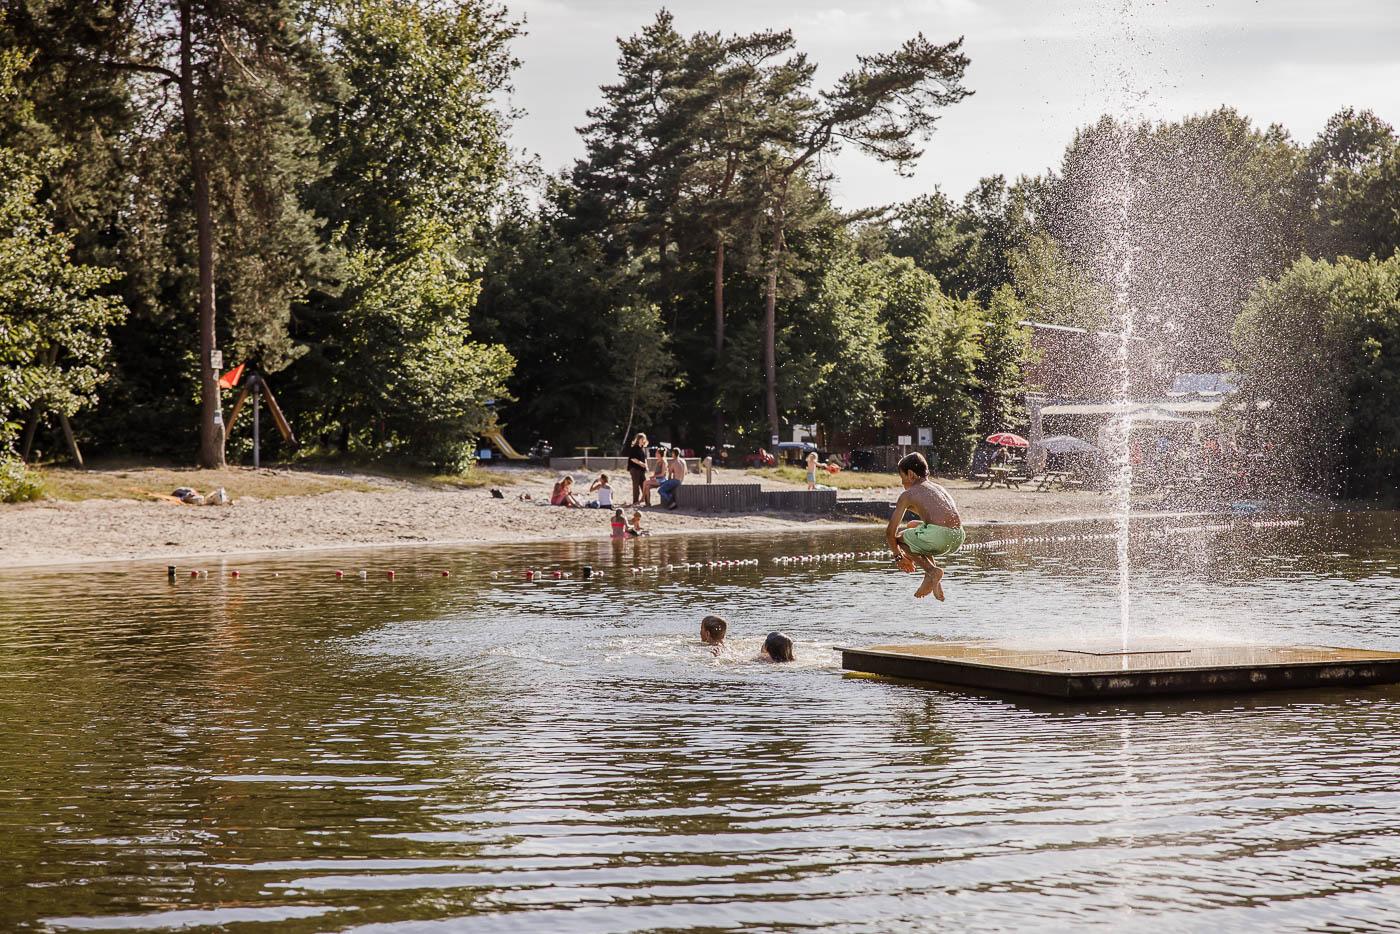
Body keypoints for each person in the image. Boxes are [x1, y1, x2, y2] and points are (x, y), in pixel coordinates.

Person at [887, 451, 964, 601]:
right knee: (912, 525)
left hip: (940, 537)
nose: (902, 484)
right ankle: (931, 577)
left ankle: (931, 571)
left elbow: (890, 533)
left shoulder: (908, 495)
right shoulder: (939, 488)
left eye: (902, 478)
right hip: (958, 536)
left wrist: (898, 557)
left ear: (910, 474)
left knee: (900, 538)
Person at [625, 432, 649, 506]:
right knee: (636, 486)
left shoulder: (642, 448)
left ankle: (647, 502)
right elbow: (632, 459)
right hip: (634, 469)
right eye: (642, 439)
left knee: (644, 485)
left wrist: (646, 466)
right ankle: (635, 502)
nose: (644, 440)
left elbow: (644, 459)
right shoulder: (634, 448)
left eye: (644, 439)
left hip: (641, 470)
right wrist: (641, 464)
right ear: (638, 439)